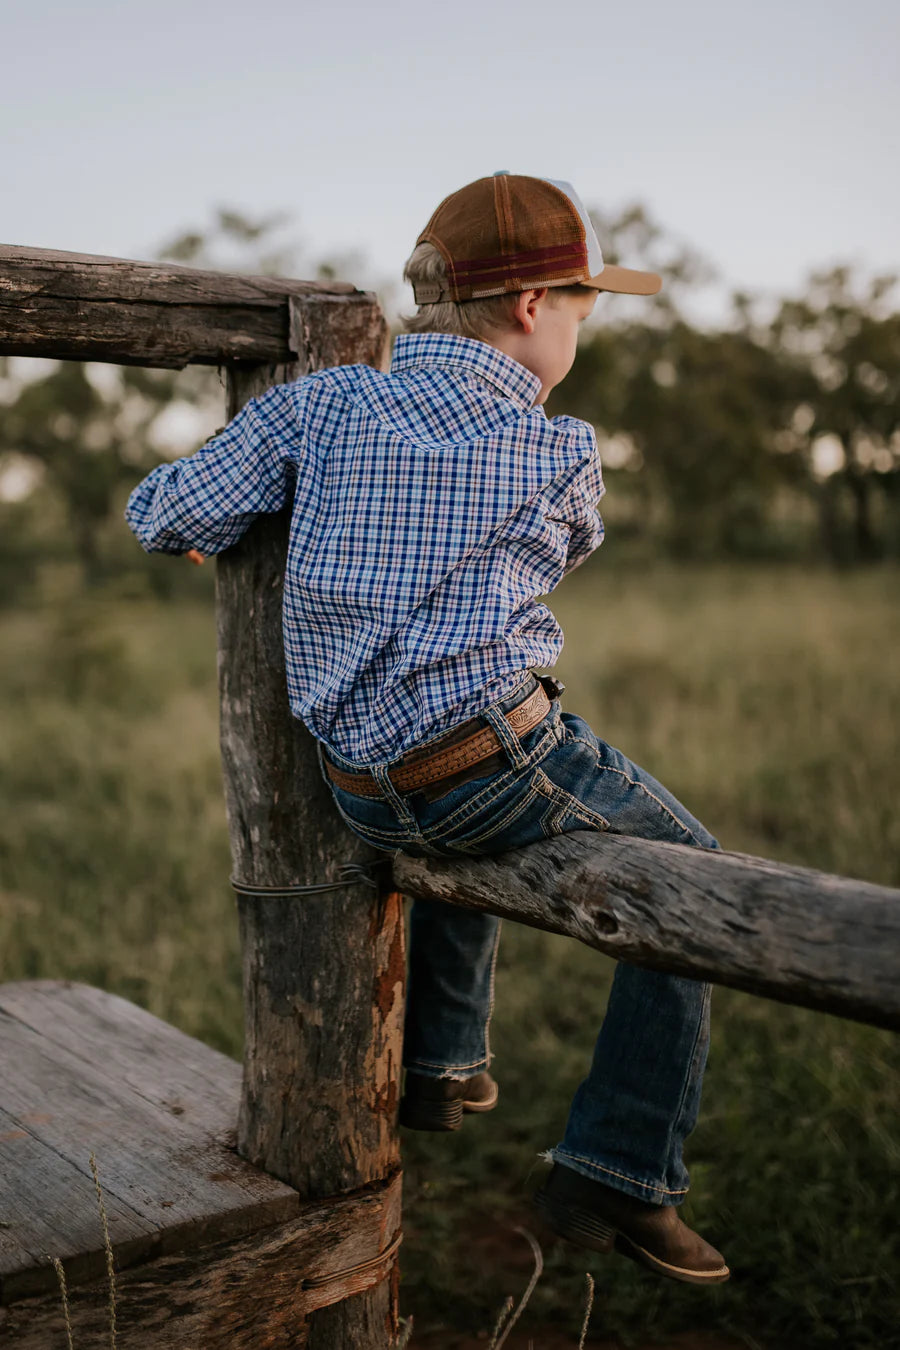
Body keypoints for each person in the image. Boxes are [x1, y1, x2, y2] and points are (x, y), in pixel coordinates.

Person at [125, 173, 728, 1287]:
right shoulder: (559, 449)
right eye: (582, 315)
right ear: (534, 307)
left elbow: (162, 509)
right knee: (695, 880)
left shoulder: (319, 406)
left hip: (359, 784)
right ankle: (624, 1168)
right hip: (486, 759)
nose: (578, 340)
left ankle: (442, 1062)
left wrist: (253, 524)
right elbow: (563, 550)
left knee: (455, 813)